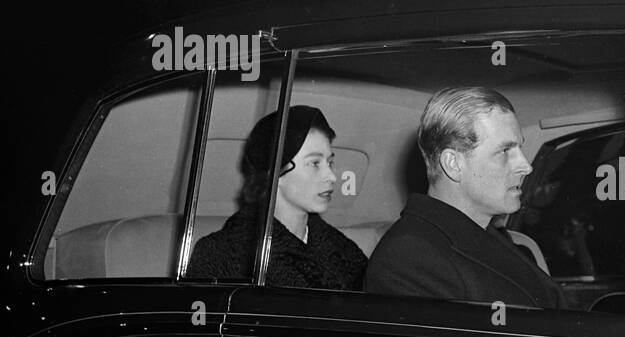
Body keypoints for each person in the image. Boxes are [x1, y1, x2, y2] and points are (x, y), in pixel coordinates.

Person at [365, 86, 568, 307]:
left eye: (519, 149)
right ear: (453, 164)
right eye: (505, 151)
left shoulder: (485, 233)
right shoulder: (407, 259)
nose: (526, 167)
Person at [189, 105, 367, 290]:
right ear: (275, 174)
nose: (331, 176)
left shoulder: (343, 250)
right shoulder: (222, 254)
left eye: (330, 162)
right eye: (315, 163)